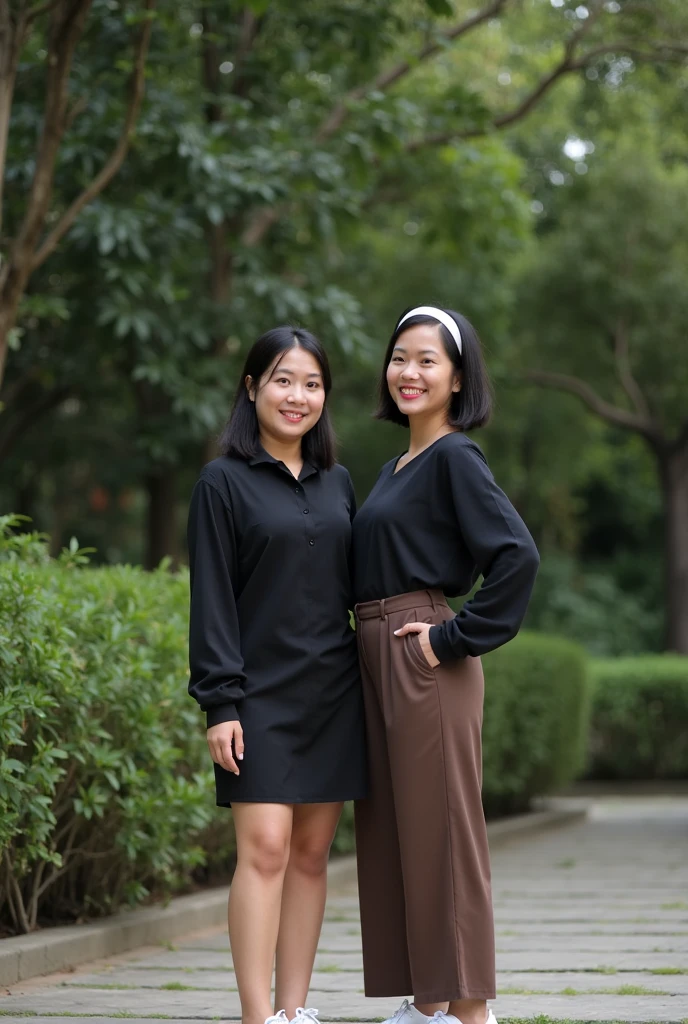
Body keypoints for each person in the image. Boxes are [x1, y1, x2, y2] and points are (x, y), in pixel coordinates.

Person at [351, 305, 540, 1024]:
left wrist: (451, 639)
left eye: (428, 360)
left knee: (446, 835)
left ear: (458, 378)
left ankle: (472, 1013)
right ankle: (429, 1004)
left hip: (422, 654)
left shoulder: (456, 456)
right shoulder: (396, 464)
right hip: (379, 652)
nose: (409, 372)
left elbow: (516, 556)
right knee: (400, 832)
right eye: (400, 357)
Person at [187, 325, 367, 1024]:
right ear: (252, 386)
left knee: (313, 857)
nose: (299, 396)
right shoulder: (221, 482)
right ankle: (256, 1016)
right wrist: (219, 703)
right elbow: (212, 602)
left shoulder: (340, 483)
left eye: (313, 383)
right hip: (255, 695)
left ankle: (296, 1012)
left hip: (334, 692)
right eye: (285, 380)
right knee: (264, 850)